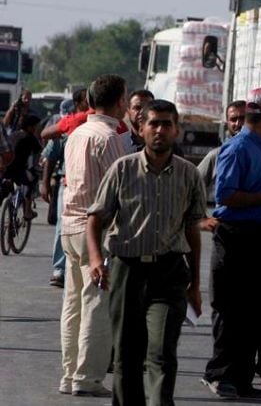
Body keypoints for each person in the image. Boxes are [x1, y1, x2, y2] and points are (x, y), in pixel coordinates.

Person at [86, 100, 209, 406]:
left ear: (176, 130)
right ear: (140, 129)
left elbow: (193, 230)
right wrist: (96, 260)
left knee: (162, 352)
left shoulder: (189, 175)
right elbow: (96, 218)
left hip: (169, 273)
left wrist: (194, 285)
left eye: (167, 124)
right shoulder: (122, 170)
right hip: (127, 271)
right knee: (127, 353)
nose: (159, 130)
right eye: (153, 124)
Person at [202, 88, 261, 400]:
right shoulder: (237, 148)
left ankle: (241, 377)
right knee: (230, 308)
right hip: (236, 235)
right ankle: (220, 374)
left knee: (256, 310)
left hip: (260, 238)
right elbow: (225, 194)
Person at [59, 74, 128, 397]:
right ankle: (86, 378)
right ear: (119, 102)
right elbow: (122, 189)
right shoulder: (108, 136)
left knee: (73, 304)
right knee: (96, 306)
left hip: (70, 225)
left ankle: (69, 374)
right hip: (96, 231)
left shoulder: (77, 133)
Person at [42, 99, 75, 288]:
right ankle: (60, 268)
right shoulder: (66, 125)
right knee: (63, 226)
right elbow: (50, 156)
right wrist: (45, 184)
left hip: (94, 184)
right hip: (67, 182)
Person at [197, 100, 246, 206]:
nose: (238, 124)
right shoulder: (215, 156)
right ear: (227, 123)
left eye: (243, 118)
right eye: (233, 119)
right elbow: (192, 187)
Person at [5, 113, 43, 220]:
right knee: (32, 180)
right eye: (36, 127)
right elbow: (39, 154)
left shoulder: (13, 134)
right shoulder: (30, 138)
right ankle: (27, 210)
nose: (37, 130)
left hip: (5, 168)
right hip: (18, 170)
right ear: (30, 127)